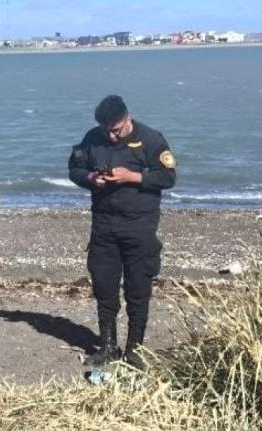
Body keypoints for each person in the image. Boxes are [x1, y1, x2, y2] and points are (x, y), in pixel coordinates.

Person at [68, 95, 176, 368]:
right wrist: (91, 178)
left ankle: (134, 350)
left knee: (138, 289)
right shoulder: (92, 138)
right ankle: (107, 346)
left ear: (128, 118)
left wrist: (133, 177)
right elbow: (75, 169)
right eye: (107, 130)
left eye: (116, 129)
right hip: (104, 224)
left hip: (139, 225)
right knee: (104, 287)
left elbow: (168, 177)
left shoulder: (151, 139)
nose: (111, 135)